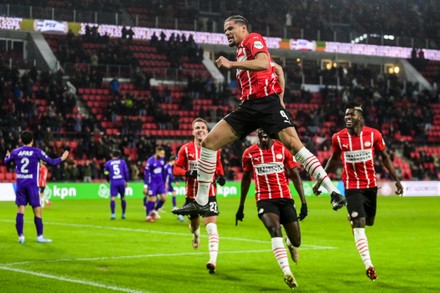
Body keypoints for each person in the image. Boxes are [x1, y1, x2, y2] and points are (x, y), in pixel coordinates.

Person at [173, 15, 346, 217]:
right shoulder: (241, 51)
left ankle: (333, 191)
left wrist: (277, 98)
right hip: (248, 106)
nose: (227, 33)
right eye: (225, 30)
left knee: (294, 145)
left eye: (230, 28)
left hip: (266, 103)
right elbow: (277, 69)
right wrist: (280, 95)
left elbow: (264, 63)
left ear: (243, 28)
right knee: (209, 143)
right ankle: (202, 202)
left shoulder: (252, 39)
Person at [313, 103, 404, 281]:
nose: (347, 118)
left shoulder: (374, 134)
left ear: (360, 118)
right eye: (346, 115)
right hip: (352, 186)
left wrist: (397, 179)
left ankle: (353, 220)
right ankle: (369, 265)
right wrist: (319, 181)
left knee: (369, 221)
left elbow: (385, 157)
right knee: (360, 223)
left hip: (370, 185)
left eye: (351, 115)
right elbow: (333, 160)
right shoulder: (338, 138)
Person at [237, 129, 307, 289]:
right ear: (257, 133)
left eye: (266, 128)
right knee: (275, 231)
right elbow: (246, 178)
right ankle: (287, 272)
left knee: (297, 241)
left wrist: (303, 203)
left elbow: (295, 174)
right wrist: (241, 206)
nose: (263, 131)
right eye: (260, 129)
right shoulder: (249, 153)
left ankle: (290, 244)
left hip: (285, 199)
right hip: (265, 200)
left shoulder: (282, 149)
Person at [173, 118, 225, 274]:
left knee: (211, 227)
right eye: (197, 128)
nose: (200, 130)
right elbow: (176, 169)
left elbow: (218, 164)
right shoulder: (185, 149)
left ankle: (212, 261)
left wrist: (221, 175)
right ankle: (195, 235)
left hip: (210, 194)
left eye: (203, 127)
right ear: (193, 131)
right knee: (195, 226)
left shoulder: (215, 148)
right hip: (192, 196)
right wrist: (187, 172)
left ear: (207, 131)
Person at [4, 130, 69, 243]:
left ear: (21, 140)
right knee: (37, 211)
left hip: (20, 185)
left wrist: (7, 156)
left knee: (20, 210)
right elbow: (52, 162)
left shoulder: (16, 152)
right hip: (32, 186)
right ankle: (39, 236)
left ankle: (21, 236)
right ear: (32, 140)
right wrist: (62, 158)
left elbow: (6, 162)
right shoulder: (37, 152)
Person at [104, 150, 130, 220]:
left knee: (112, 198)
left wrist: (108, 180)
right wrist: (127, 181)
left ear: (112, 155)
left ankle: (113, 214)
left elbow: (106, 173)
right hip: (121, 181)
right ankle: (123, 214)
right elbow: (126, 171)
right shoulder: (122, 162)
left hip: (113, 181)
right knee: (123, 197)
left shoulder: (108, 163)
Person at [144, 146, 167, 222]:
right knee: (153, 199)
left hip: (160, 182)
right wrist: (146, 186)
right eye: (161, 153)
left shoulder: (162, 160)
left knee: (164, 198)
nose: (163, 155)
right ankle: (147, 215)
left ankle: (154, 210)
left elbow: (163, 171)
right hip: (152, 183)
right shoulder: (150, 161)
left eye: (163, 154)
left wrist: (165, 182)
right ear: (157, 152)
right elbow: (147, 174)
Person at [164, 156, 185, 222]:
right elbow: (167, 176)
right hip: (166, 183)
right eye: (175, 161)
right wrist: (173, 181)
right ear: (173, 160)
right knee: (164, 196)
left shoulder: (168, 166)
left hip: (168, 183)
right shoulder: (167, 167)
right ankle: (157, 208)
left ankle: (174, 206)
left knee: (173, 193)